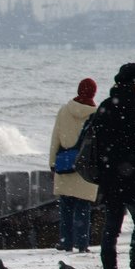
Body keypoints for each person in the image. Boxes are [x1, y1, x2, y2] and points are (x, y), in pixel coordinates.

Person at [92, 62, 135, 269]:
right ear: (134, 83)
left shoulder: (106, 106)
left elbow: (97, 145)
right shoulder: (134, 106)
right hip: (134, 178)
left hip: (110, 178)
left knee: (111, 227)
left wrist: (103, 173)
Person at [49, 78, 99, 252]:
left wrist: (52, 163)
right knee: (83, 208)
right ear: (93, 92)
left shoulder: (64, 111)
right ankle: (83, 244)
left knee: (65, 207)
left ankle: (66, 242)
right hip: (86, 166)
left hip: (65, 163)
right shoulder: (97, 113)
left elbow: (55, 138)